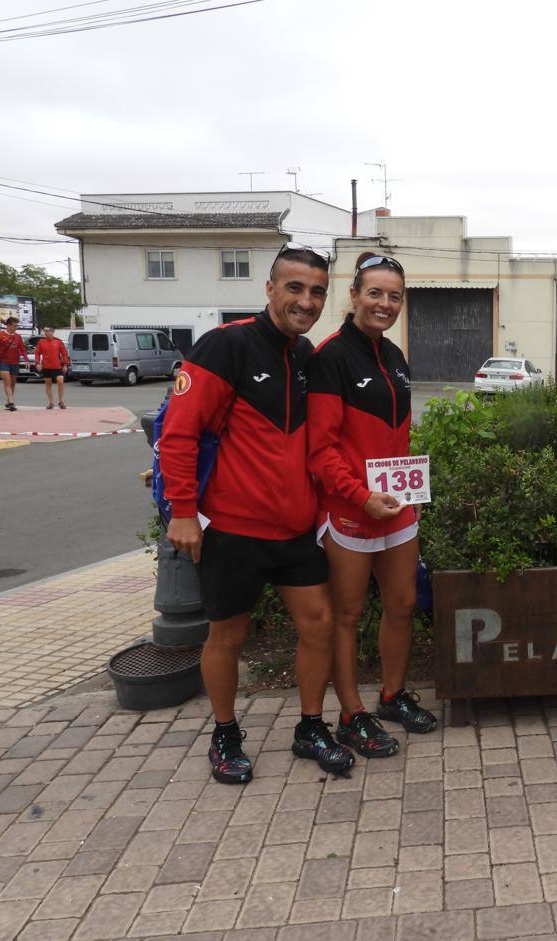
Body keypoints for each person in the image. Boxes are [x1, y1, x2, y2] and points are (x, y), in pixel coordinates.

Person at [160, 244, 354, 784]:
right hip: (234, 530)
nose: (306, 300)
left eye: (316, 291)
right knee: (227, 638)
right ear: (269, 289)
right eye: (295, 287)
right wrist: (182, 511)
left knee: (317, 626)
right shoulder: (226, 346)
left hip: (295, 531)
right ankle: (224, 734)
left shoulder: (307, 357)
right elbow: (178, 432)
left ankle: (310, 727)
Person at [308, 251, 437, 754]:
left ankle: (391, 696)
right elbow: (321, 450)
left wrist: (410, 491)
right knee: (348, 614)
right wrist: (361, 496)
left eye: (395, 296)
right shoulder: (330, 357)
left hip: (396, 508)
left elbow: (398, 437)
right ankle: (350, 714)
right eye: (375, 293)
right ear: (355, 295)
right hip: (348, 509)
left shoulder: (395, 356)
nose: (385, 304)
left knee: (402, 605)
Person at [0, 318, 28, 411]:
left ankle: (8, 401)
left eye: (17, 325)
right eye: (14, 325)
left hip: (15, 362)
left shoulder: (18, 336)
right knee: (7, 381)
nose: (16, 327)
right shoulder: (0, 335)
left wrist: (26, 360)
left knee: (12, 383)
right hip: (3, 362)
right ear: (8, 325)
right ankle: (11, 402)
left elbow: (22, 349)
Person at [34, 326, 70, 409]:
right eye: (45, 331)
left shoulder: (58, 341)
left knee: (60, 381)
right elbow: (37, 353)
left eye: (47, 331)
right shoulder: (41, 342)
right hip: (46, 367)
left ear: (52, 332)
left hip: (57, 366)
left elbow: (64, 353)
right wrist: (37, 363)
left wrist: (65, 365)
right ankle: (51, 402)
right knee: (48, 384)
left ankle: (61, 401)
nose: (46, 332)